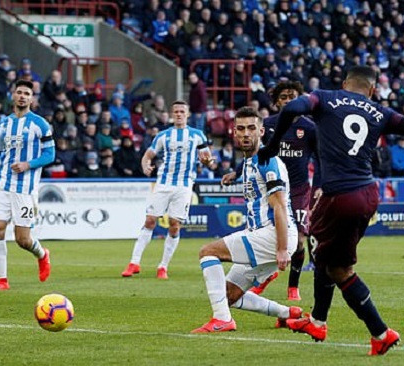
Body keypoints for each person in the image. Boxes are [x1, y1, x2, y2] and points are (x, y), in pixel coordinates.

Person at [258, 66, 404, 355]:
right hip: (368, 194)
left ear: (345, 83)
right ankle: (339, 325)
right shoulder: (380, 112)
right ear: (371, 90)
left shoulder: (324, 98)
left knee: (329, 261)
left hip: (338, 195)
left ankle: (346, 325)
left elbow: (293, 107)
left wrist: (270, 146)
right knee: (335, 263)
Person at [192, 106, 301, 333]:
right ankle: (287, 314)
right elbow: (245, 170)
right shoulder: (251, 162)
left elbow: (279, 205)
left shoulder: (268, 160)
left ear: (261, 132)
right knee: (229, 294)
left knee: (208, 252)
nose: (245, 133)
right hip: (264, 235)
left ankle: (222, 320)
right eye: (240, 128)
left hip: (273, 234)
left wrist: (282, 248)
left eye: (251, 128)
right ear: (233, 132)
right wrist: (232, 174)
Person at [222, 80, 318, 301]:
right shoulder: (269, 125)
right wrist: (237, 172)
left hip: (299, 189)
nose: (288, 100)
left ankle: (293, 286)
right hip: (272, 188)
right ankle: (267, 274)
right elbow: (255, 151)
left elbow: (321, 159)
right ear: (276, 102)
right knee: (269, 236)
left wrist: (320, 186)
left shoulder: (310, 128)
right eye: (283, 97)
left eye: (292, 96)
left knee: (300, 240)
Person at [0, 79, 56, 291]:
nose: (23, 96)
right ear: (13, 96)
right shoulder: (4, 123)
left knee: (23, 240)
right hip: (1, 184)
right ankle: (1, 280)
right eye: (19, 92)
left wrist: (28, 164)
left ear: (31, 98)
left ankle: (43, 255)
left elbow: (50, 154)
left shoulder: (40, 124)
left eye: (27, 93)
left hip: (24, 189)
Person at [121, 100, 213, 279]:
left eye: (181, 111)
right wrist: (145, 166)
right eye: (176, 111)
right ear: (172, 114)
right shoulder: (163, 135)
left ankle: (163, 266)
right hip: (163, 183)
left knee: (174, 225)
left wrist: (207, 162)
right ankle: (134, 263)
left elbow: (208, 158)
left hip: (184, 185)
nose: (178, 114)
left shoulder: (197, 135)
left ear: (187, 115)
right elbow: (148, 155)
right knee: (149, 220)